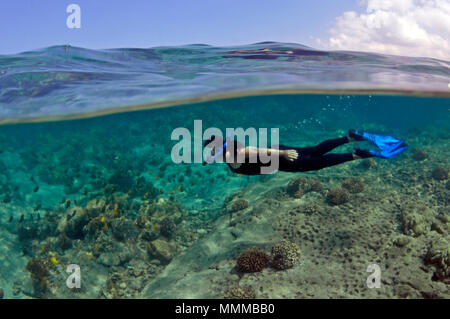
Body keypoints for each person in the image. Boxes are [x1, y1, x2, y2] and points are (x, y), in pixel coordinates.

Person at [202, 129, 408, 175]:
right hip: (279, 151)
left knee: (319, 162)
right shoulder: (231, 150)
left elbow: (253, 150)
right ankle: (352, 137)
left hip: (282, 159)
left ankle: (360, 153)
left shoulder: (233, 155)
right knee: (316, 150)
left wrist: (282, 155)